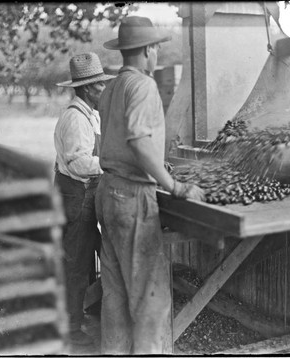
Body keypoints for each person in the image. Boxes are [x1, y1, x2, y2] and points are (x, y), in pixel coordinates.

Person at [96, 16, 205, 354]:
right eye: (157, 47)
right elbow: (140, 141)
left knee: (115, 292)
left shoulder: (112, 86)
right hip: (132, 197)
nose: (158, 53)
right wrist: (175, 186)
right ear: (146, 50)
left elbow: (116, 141)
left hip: (108, 190)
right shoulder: (143, 85)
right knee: (150, 299)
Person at [53, 52, 115, 346]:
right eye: (100, 86)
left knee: (85, 259)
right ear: (89, 88)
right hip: (76, 194)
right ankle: (71, 330)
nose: (103, 90)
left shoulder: (90, 114)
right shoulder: (76, 119)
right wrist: (112, 162)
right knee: (75, 262)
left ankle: (82, 313)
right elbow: (79, 163)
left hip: (81, 192)